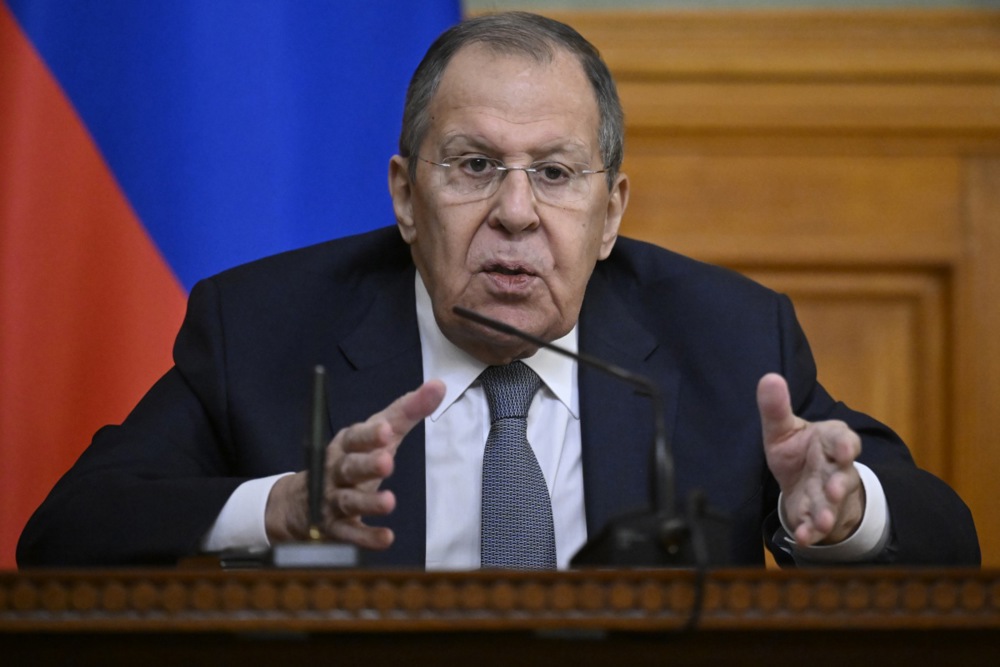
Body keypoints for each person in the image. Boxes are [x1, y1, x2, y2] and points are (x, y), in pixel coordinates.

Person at [18, 12, 979, 569]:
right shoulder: (266, 328)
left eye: (555, 173)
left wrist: (845, 514)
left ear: (611, 212)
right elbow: (68, 530)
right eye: (475, 165)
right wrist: (280, 507)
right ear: (406, 196)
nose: (516, 213)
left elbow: (948, 537)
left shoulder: (727, 339)